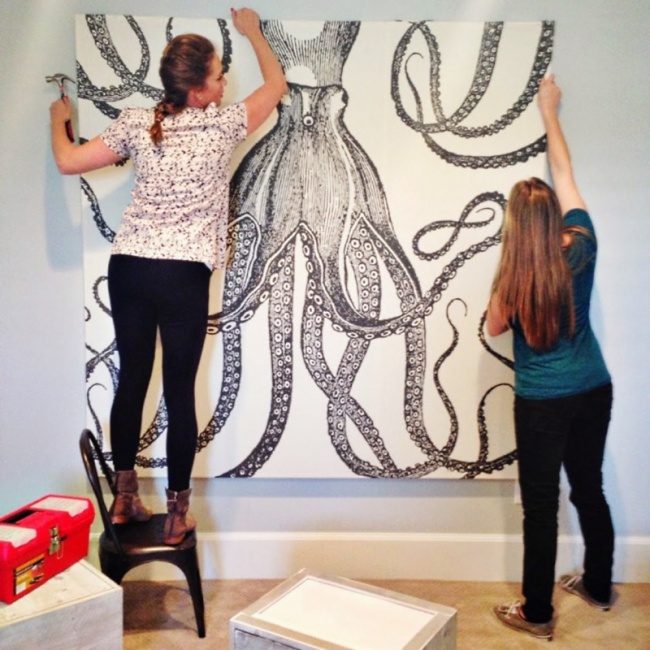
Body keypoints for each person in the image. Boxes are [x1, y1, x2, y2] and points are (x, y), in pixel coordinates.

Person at [50, 8, 287, 545]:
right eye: (219, 76)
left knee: (132, 380)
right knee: (179, 392)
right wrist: (253, 32)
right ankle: (178, 514)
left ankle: (124, 501)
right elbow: (276, 85)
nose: (224, 83)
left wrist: (58, 117)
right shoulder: (223, 124)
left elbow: (67, 160)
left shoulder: (136, 122)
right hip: (182, 274)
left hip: (130, 268)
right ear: (198, 90)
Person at [487, 75, 614, 641]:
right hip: (593, 389)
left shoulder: (514, 276)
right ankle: (599, 586)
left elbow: (493, 327)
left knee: (540, 506)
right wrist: (549, 111)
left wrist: (508, 267)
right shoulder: (582, 244)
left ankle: (537, 614)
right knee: (589, 488)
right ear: (555, 217)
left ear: (515, 227)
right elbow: (564, 171)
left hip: (542, 402)